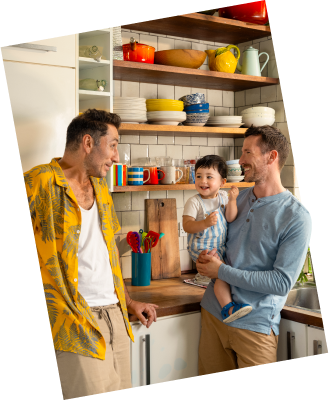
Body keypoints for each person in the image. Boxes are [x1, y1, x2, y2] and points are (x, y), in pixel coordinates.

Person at [23, 109, 159, 398]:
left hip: (116, 317)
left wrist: (130, 300)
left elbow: (108, 252)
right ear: (88, 143)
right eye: (112, 145)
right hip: (75, 318)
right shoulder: (39, 182)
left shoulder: (100, 187)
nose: (117, 156)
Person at [196, 125, 312, 373]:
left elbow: (281, 282)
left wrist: (221, 271)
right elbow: (222, 243)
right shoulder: (236, 199)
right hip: (214, 315)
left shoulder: (296, 217)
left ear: (271, 157)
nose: (240, 160)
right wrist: (208, 259)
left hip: (255, 327)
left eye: (248, 152)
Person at [183, 155, 252, 323]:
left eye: (209, 177)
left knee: (224, 271)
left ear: (222, 182)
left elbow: (230, 217)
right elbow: (187, 226)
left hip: (219, 246)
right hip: (201, 247)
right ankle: (228, 307)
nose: (202, 181)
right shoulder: (194, 202)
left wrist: (233, 200)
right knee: (220, 274)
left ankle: (210, 283)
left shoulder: (222, 197)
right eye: (198, 176)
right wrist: (205, 223)